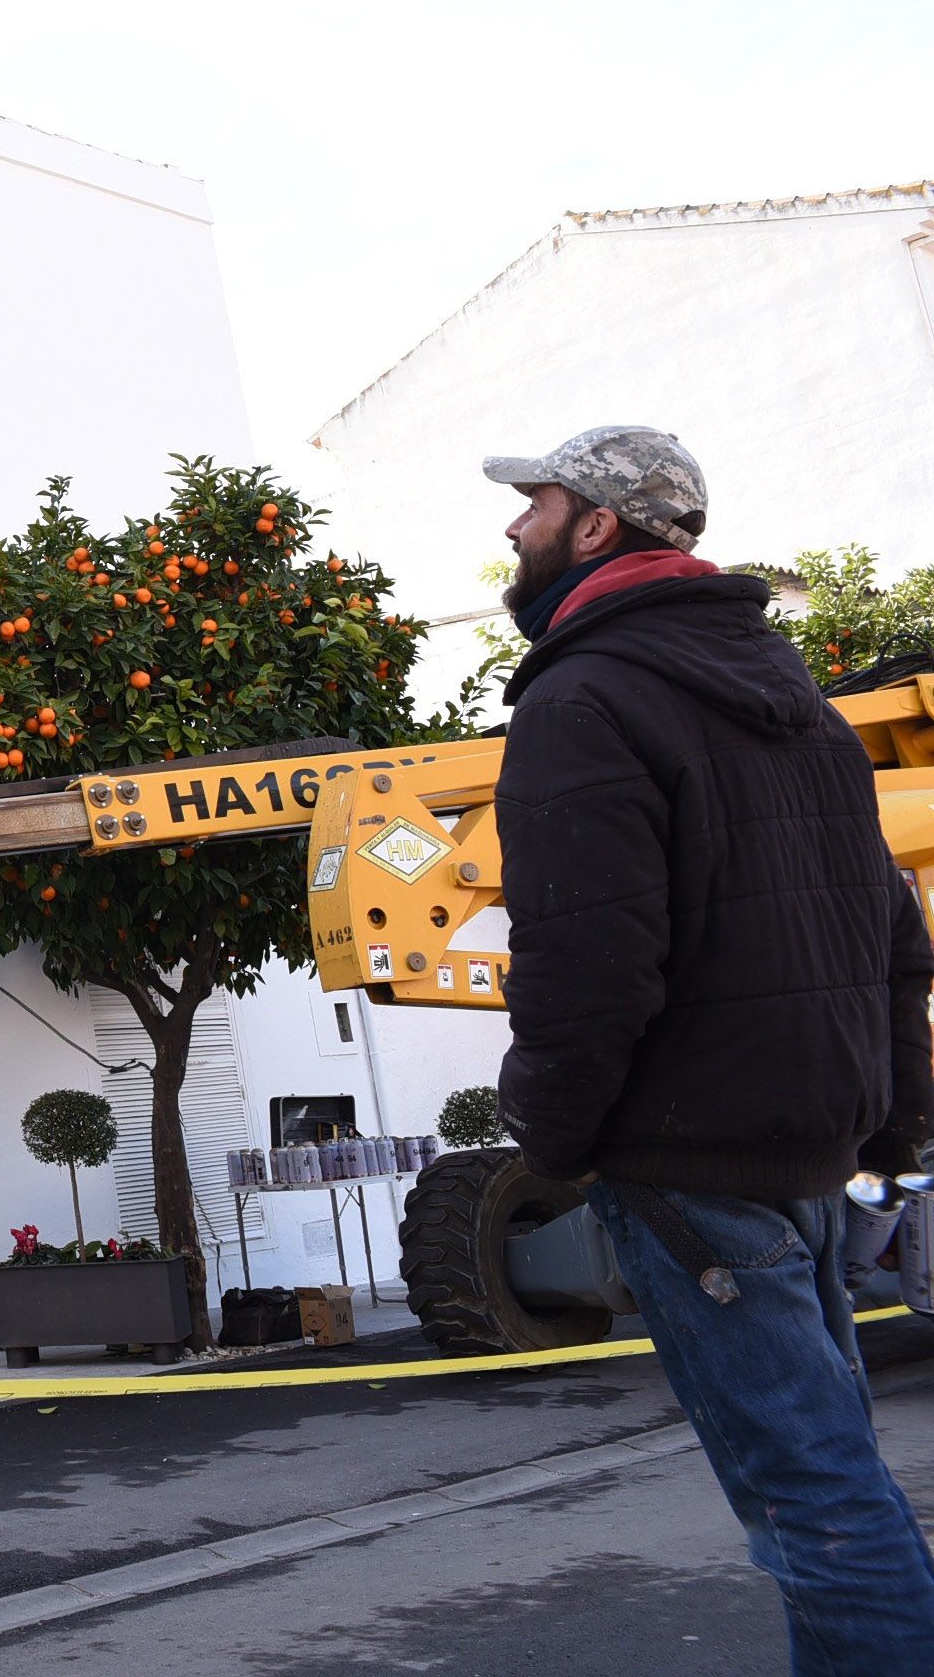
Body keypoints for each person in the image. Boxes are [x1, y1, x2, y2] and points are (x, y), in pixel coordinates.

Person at [487, 423, 934, 1671]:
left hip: (689, 1165)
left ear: (594, 528)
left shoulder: (580, 697)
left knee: (814, 1505)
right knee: (830, 1477)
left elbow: (585, 964)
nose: (511, 526)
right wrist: (891, 1121)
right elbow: (891, 931)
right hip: (803, 1154)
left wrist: (555, 1138)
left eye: (535, 502)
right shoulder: (796, 701)